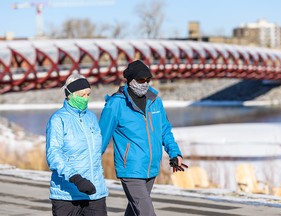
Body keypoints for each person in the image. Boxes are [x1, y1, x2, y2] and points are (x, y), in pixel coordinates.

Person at [99, 60, 187, 216]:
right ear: (130, 80)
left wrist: (175, 153)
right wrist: (87, 166)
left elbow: (164, 130)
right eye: (140, 80)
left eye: (148, 80)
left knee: (135, 211)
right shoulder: (116, 104)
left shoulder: (155, 101)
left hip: (152, 167)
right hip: (130, 169)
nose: (145, 84)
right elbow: (101, 138)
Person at [46, 73, 108, 216]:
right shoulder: (58, 119)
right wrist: (76, 178)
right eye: (82, 95)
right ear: (70, 94)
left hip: (94, 193)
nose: (86, 99)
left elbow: (95, 153)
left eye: (88, 94)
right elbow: (53, 154)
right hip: (67, 195)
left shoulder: (91, 118)